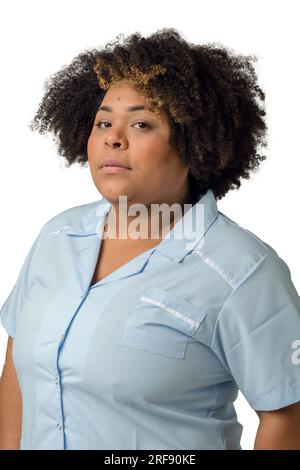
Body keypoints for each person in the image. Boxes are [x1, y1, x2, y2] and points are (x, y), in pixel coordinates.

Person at [0, 27, 300, 450]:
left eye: (141, 123)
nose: (112, 137)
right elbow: (16, 367)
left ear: (195, 144)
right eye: (103, 121)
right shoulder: (57, 237)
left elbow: (287, 415)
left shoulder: (242, 270)